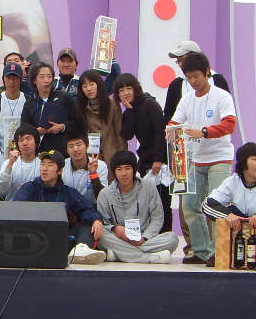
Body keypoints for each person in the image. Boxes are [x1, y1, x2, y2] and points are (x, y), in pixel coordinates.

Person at [168, 51, 238, 265]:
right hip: (196, 159)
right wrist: (170, 130)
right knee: (189, 205)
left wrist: (205, 132)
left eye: (196, 76)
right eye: (188, 77)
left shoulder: (222, 96)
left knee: (216, 205)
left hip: (219, 158)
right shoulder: (187, 99)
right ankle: (201, 250)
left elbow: (230, 125)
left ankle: (218, 251)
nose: (193, 81)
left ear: (207, 72)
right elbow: (175, 122)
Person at [11, 149, 106, 265]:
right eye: (43, 164)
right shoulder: (29, 188)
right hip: (33, 238)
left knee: (88, 224)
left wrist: (96, 219)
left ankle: (81, 249)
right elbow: (15, 209)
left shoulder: (67, 192)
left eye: (50, 165)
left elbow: (87, 208)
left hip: (59, 237)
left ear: (60, 171)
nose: (45, 168)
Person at [97, 150, 179, 264]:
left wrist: (144, 238)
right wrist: (115, 228)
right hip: (119, 238)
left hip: (144, 239)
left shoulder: (149, 187)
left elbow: (157, 218)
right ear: (114, 172)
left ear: (134, 170)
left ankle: (120, 255)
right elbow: (104, 224)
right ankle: (149, 258)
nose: (124, 173)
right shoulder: (105, 194)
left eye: (127, 168)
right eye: (119, 169)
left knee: (172, 238)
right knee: (101, 237)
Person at [115, 73, 171, 232]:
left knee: (163, 202)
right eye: (121, 90)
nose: (126, 93)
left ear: (135, 88)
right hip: (145, 160)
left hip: (161, 160)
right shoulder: (129, 111)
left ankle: (165, 236)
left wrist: (158, 159)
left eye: (129, 88)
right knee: (148, 203)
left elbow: (161, 132)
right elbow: (127, 134)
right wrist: (129, 111)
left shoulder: (150, 104)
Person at [163, 40, 232, 123]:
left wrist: (206, 130)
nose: (181, 64)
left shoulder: (218, 80)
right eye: (178, 61)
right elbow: (170, 114)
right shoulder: (177, 84)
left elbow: (228, 117)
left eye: (182, 59)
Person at [73, 69, 126, 166]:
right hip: (90, 157)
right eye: (84, 86)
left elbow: (119, 133)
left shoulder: (112, 104)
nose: (88, 89)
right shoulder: (80, 108)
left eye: (91, 84)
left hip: (111, 156)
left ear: (99, 84)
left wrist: (122, 156)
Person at [21, 62, 76, 154]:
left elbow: (77, 122)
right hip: (39, 151)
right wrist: (36, 131)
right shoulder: (30, 103)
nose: (46, 80)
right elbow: (24, 129)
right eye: (42, 77)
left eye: (49, 77)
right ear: (34, 80)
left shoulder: (64, 97)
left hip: (62, 150)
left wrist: (62, 127)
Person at [54, 47, 121, 101]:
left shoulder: (83, 84)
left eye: (70, 61)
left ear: (77, 64)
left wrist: (112, 58)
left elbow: (112, 81)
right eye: (63, 61)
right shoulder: (51, 83)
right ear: (57, 63)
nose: (66, 64)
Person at [0, 123, 41, 201]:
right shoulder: (9, 162)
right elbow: (1, 191)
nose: (24, 143)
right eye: (21, 140)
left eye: (28, 139)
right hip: (13, 205)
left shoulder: (43, 161)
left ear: (36, 142)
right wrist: (10, 165)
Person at [62, 130, 109, 202]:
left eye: (79, 145)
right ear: (67, 150)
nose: (75, 149)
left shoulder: (100, 165)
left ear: (87, 146)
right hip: (69, 207)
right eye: (71, 146)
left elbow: (103, 197)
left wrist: (94, 174)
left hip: (93, 207)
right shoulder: (62, 166)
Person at [0, 61, 30, 152]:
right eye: (8, 78)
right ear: (3, 79)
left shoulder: (29, 101)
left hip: (24, 152)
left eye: (15, 78)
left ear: (21, 79)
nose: (11, 82)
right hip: (1, 152)